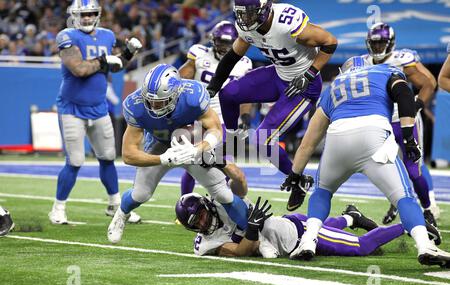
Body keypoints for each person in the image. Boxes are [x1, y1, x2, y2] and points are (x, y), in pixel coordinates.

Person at [282, 57, 450, 267]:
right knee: (404, 197)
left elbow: (308, 142)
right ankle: (425, 245)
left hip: (337, 140)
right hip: (373, 135)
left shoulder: (334, 86)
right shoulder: (384, 71)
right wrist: (408, 136)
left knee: (322, 192)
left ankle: (308, 241)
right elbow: (404, 94)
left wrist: (295, 174)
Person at [206, 0, 337, 211]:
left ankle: (297, 180)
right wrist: (212, 87)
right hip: (278, 74)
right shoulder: (247, 27)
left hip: (302, 85)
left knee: (261, 139)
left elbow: (330, 42)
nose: (245, 19)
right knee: (228, 94)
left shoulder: (287, 23)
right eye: (242, 14)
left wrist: (309, 73)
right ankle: (228, 143)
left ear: (265, 9)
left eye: (250, 13)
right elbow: (231, 57)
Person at [107, 63, 250, 244]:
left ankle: (252, 232)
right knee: (140, 194)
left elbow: (215, 129)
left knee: (223, 194)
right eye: (149, 100)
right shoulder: (135, 105)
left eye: (159, 101)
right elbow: (128, 154)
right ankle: (121, 214)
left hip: (193, 143)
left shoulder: (193, 96)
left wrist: (198, 149)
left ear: (175, 94)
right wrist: (162, 158)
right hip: (159, 145)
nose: (153, 106)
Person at [49, 0, 142, 225]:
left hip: (99, 107)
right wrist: (103, 60)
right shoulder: (66, 36)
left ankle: (115, 204)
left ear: (97, 15)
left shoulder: (107, 36)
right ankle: (58, 208)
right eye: (84, 14)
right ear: (74, 15)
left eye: (91, 14)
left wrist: (128, 53)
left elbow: (116, 65)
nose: (88, 18)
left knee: (108, 157)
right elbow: (79, 69)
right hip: (72, 108)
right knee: (75, 160)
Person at [176, 194, 444, 261]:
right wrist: (253, 230)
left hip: (299, 233)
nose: (202, 223)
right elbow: (241, 250)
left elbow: (238, 196)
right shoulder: (205, 243)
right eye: (195, 224)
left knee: (362, 248)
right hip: (286, 235)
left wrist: (253, 226)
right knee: (333, 231)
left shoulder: (226, 204)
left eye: (200, 215)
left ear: (206, 205)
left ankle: (414, 224)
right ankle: (351, 217)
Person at [362, 23, 439, 225]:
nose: (377, 48)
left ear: (390, 43)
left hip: (405, 120)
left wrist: (417, 105)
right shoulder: (362, 62)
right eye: (374, 44)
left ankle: (428, 208)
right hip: (380, 122)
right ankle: (398, 202)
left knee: (413, 169)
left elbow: (429, 83)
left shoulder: (401, 59)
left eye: (381, 44)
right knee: (385, 168)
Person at [178, 20, 253, 196]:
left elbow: (245, 94)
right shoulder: (199, 54)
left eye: (229, 43)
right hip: (199, 117)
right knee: (193, 163)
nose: (224, 47)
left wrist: (246, 117)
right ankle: (184, 201)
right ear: (213, 40)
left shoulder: (244, 63)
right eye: (221, 42)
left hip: (224, 120)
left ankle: (220, 204)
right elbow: (179, 79)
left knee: (224, 165)